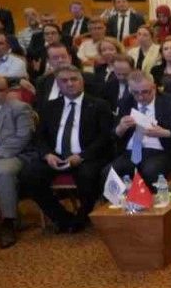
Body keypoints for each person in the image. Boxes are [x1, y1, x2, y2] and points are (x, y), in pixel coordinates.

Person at [21, 65, 113, 233]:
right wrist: (47, 155)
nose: (69, 84)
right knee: (29, 175)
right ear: (58, 84)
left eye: (74, 79)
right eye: (64, 81)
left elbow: (105, 138)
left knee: (87, 176)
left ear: (82, 81)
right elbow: (39, 137)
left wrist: (82, 156)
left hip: (86, 157)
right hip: (56, 156)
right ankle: (62, 218)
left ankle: (82, 217)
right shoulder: (49, 106)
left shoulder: (99, 105)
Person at [106, 70, 171, 184]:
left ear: (154, 87)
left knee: (150, 171)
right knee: (109, 172)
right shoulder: (125, 102)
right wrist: (120, 128)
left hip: (159, 151)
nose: (140, 97)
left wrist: (164, 132)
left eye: (145, 92)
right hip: (131, 152)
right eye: (135, 93)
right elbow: (113, 135)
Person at [0, 73, 35, 248]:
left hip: (9, 155)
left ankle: (8, 222)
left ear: (7, 91)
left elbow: (22, 137)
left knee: (3, 171)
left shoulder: (20, 108)